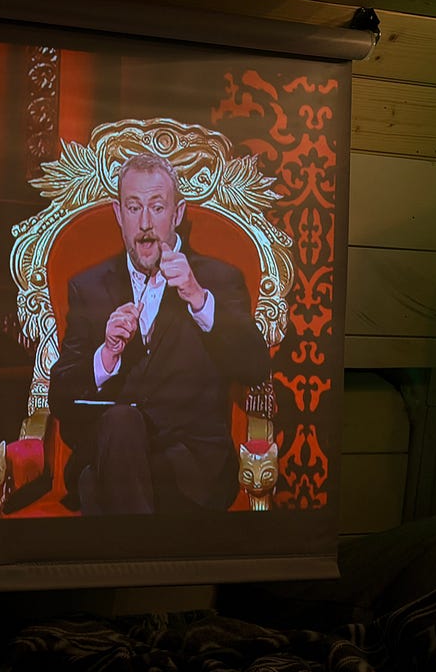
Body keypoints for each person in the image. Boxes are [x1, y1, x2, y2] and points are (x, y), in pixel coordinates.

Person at [48, 151, 272, 515]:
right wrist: (107, 354)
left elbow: (255, 367)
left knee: (102, 491)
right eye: (134, 208)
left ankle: (125, 562)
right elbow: (61, 397)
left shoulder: (217, 279)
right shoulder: (88, 287)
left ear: (178, 213)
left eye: (157, 206)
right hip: (111, 458)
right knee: (120, 423)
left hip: (190, 471)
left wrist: (198, 299)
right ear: (119, 215)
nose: (146, 223)